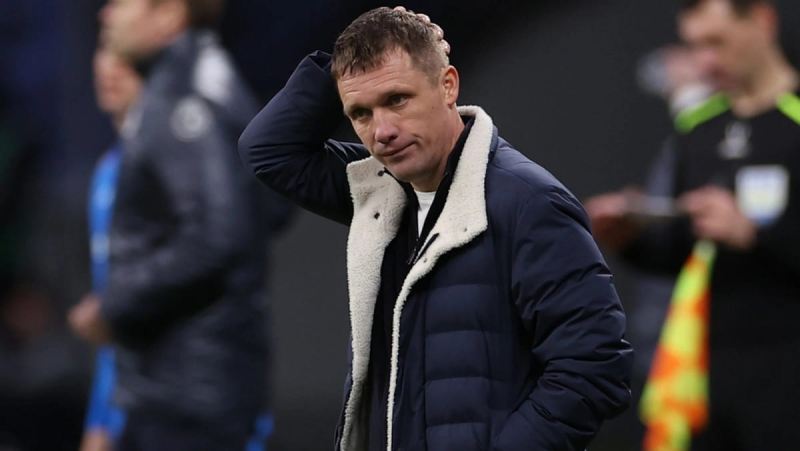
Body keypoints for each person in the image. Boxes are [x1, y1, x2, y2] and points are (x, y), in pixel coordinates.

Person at [239, 7, 633, 451]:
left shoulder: (530, 203)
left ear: (448, 85)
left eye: (397, 99)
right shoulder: (384, 191)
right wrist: (349, 59)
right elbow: (267, 150)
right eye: (361, 113)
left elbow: (594, 367)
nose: (382, 131)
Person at [586, 0, 800, 449]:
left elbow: (751, 237)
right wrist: (632, 237)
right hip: (705, 374)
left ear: (762, 21)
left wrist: (754, 235)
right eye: (695, 46)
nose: (705, 61)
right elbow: (682, 252)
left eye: (716, 42)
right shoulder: (700, 129)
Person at [91, 0, 290, 449]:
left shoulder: (183, 95)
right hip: (197, 386)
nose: (107, 14)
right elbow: (271, 202)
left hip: (186, 398)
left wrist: (118, 298)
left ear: (169, 15)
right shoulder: (205, 77)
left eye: (124, 2)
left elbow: (218, 235)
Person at [68, 46, 143, 451]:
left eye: (125, 57)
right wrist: (100, 421)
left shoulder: (178, 163)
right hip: (124, 392)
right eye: (104, 51)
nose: (110, 68)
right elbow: (112, 317)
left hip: (180, 399)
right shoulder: (107, 172)